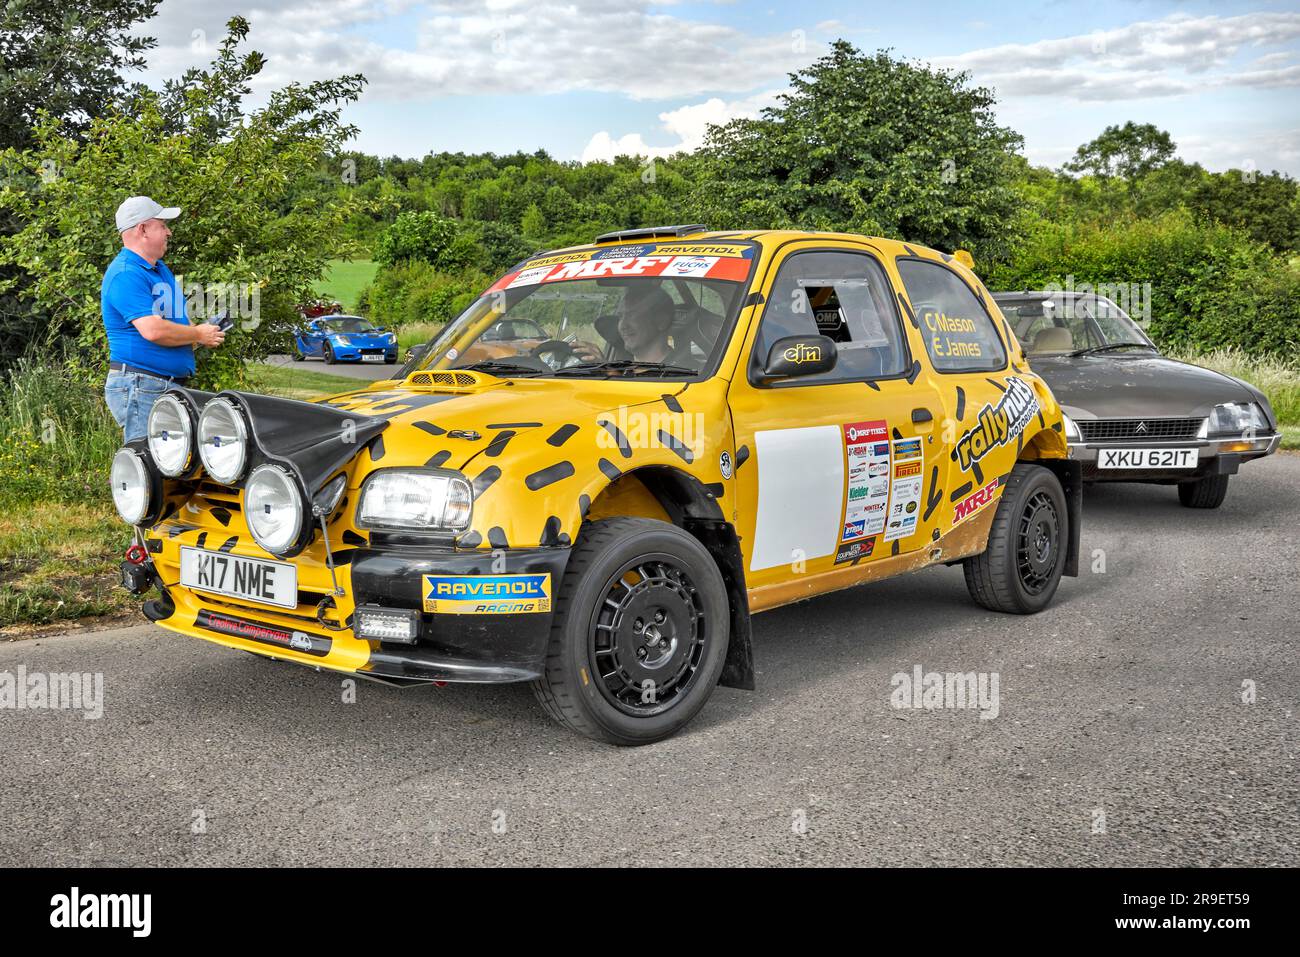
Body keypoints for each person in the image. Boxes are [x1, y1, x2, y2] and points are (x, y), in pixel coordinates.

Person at [102, 197, 225, 442]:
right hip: (141, 384)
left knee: (175, 466)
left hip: (159, 385)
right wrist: (198, 334)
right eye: (162, 225)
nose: (169, 231)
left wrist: (202, 334)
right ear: (143, 229)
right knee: (150, 465)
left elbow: (177, 325)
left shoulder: (159, 269)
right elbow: (153, 331)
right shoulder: (126, 273)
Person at [616, 285, 676, 363]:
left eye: (632, 315)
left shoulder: (682, 370)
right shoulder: (625, 368)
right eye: (620, 316)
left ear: (662, 321)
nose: (623, 326)